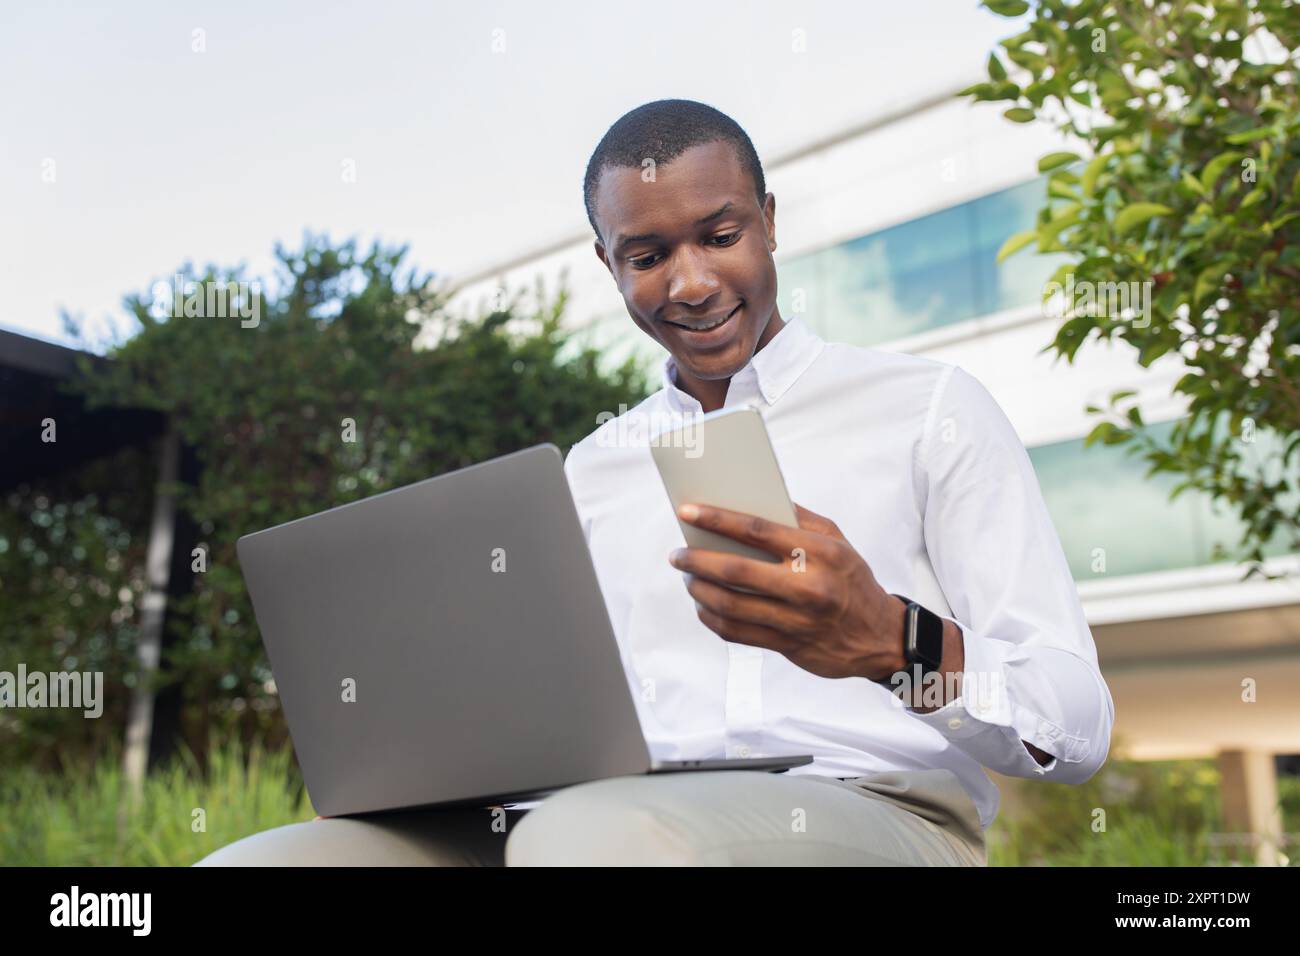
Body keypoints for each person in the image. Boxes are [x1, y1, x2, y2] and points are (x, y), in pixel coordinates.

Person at [197, 99, 1113, 867]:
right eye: (647, 256)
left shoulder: (929, 410)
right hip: (601, 813)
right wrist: (411, 783)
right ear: (608, 263)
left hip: (883, 811)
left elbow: (1072, 728)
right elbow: (546, 717)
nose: (692, 283)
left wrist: (892, 643)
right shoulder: (594, 470)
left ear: (769, 220)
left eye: (722, 235)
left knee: (600, 841)